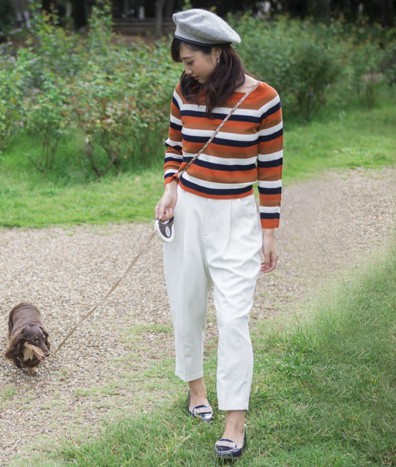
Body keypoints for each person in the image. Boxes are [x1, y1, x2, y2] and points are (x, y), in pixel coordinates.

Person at [154, 8, 283, 460]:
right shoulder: (184, 91)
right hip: (188, 212)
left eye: (191, 60)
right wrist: (170, 189)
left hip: (237, 218)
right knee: (186, 305)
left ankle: (235, 422)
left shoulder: (264, 99)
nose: (186, 70)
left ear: (217, 52)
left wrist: (270, 230)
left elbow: (269, 170)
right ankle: (195, 391)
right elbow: (174, 146)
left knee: (233, 318)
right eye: (183, 63)